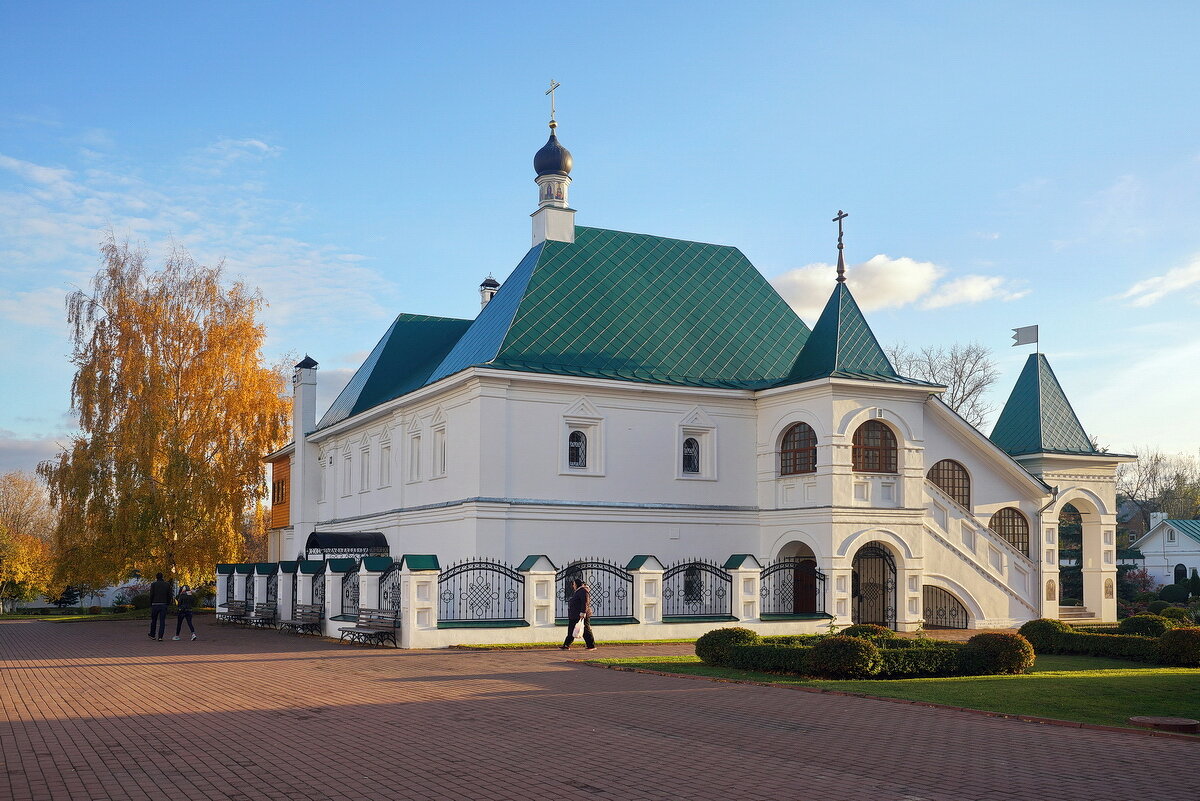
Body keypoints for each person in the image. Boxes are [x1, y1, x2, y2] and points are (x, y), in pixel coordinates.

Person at [560, 577, 596, 650]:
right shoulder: (579, 591)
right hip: (575, 615)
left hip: (581, 615)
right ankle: (566, 645)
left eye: (573, 584)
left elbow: (585, 602)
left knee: (586, 630)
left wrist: (583, 612)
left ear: (576, 584)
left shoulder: (583, 591)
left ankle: (591, 645)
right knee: (571, 630)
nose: (573, 586)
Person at [147, 573, 173, 641]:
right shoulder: (167, 584)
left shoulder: (153, 584)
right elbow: (170, 595)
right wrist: (167, 603)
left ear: (156, 577)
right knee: (162, 621)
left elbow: (151, 595)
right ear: (162, 577)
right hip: (163, 604)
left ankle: (152, 634)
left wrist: (151, 603)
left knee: (154, 620)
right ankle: (160, 636)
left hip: (155, 604)